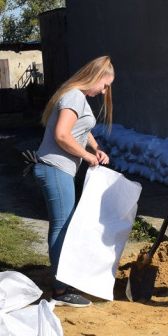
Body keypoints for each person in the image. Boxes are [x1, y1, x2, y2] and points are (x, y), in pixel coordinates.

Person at [33, 55, 115, 307]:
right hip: (55, 168)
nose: (104, 91)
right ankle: (60, 290)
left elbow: (81, 127)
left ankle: (62, 281)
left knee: (64, 226)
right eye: (105, 85)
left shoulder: (77, 97)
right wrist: (87, 156)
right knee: (62, 227)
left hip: (59, 170)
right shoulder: (74, 96)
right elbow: (61, 134)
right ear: (97, 77)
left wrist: (96, 146)